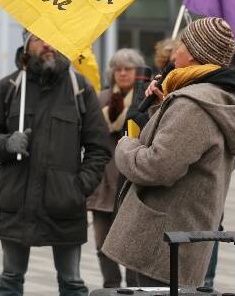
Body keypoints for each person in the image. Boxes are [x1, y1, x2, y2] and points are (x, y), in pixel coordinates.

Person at [103, 17, 235, 288]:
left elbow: (157, 167)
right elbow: (185, 149)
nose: (175, 50)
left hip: (162, 243)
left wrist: (125, 144)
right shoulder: (215, 98)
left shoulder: (193, 104)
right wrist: (160, 110)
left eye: (181, 43)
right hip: (176, 238)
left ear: (193, 53)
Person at [0, 31, 112, 296]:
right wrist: (6, 143)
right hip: (16, 203)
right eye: (39, 38)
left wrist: (78, 187)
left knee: (72, 282)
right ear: (27, 45)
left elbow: (99, 147)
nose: (47, 43)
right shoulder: (11, 86)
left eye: (53, 36)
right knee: (10, 279)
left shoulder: (80, 88)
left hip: (64, 204)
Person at [86, 48, 145, 289]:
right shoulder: (102, 99)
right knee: (102, 243)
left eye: (128, 69)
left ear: (137, 72)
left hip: (130, 183)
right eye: (118, 69)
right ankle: (110, 286)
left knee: (131, 245)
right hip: (102, 183)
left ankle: (132, 288)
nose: (122, 73)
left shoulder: (145, 100)